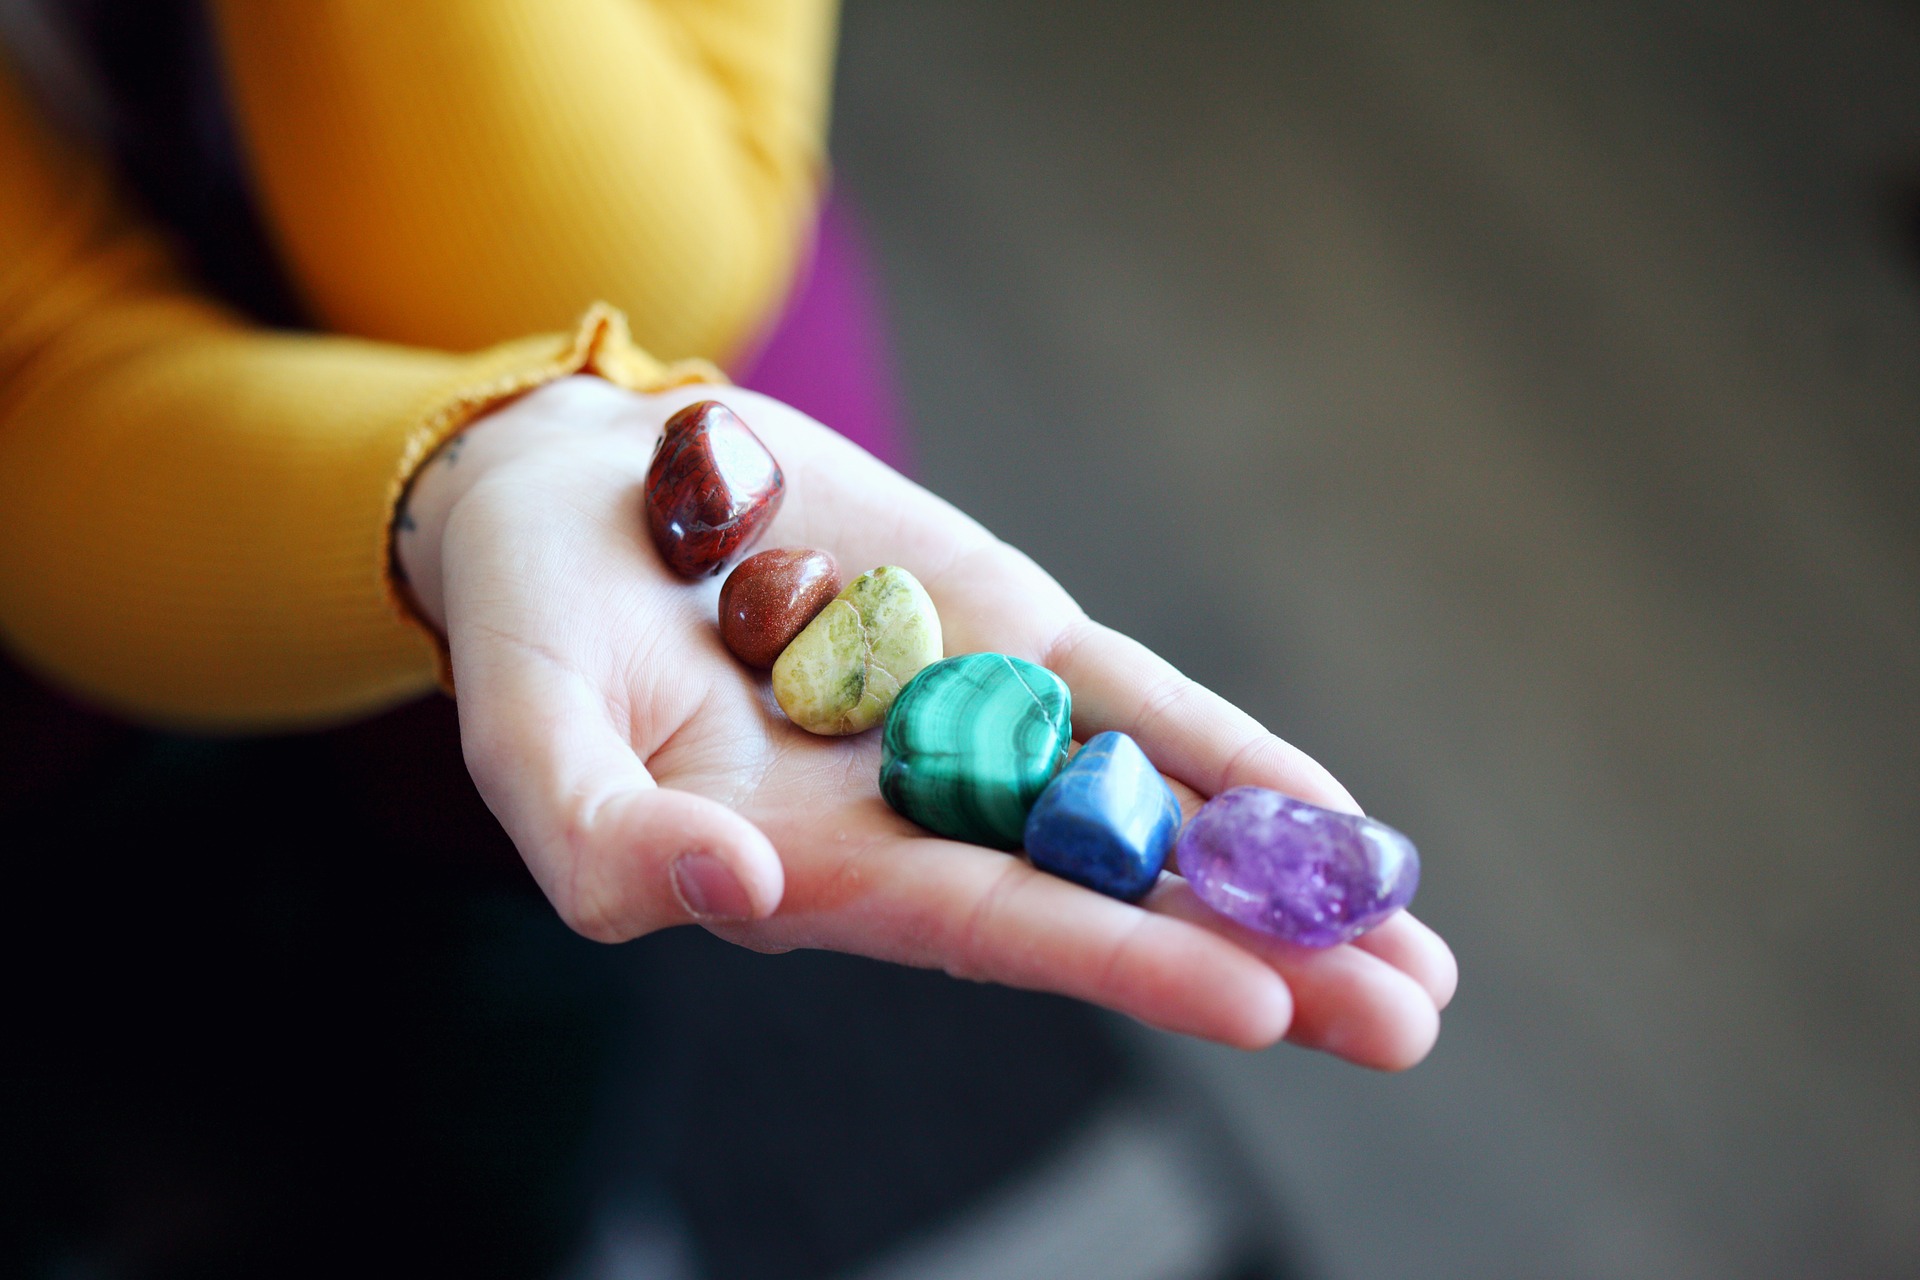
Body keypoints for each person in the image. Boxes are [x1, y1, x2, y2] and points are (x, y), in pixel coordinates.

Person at [0, 0, 1453, 1238]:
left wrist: (496, 462)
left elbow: (580, 257)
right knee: (121, 987)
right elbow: (36, 373)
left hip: (665, 403)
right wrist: (483, 477)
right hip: (114, 551)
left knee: (505, 1004)